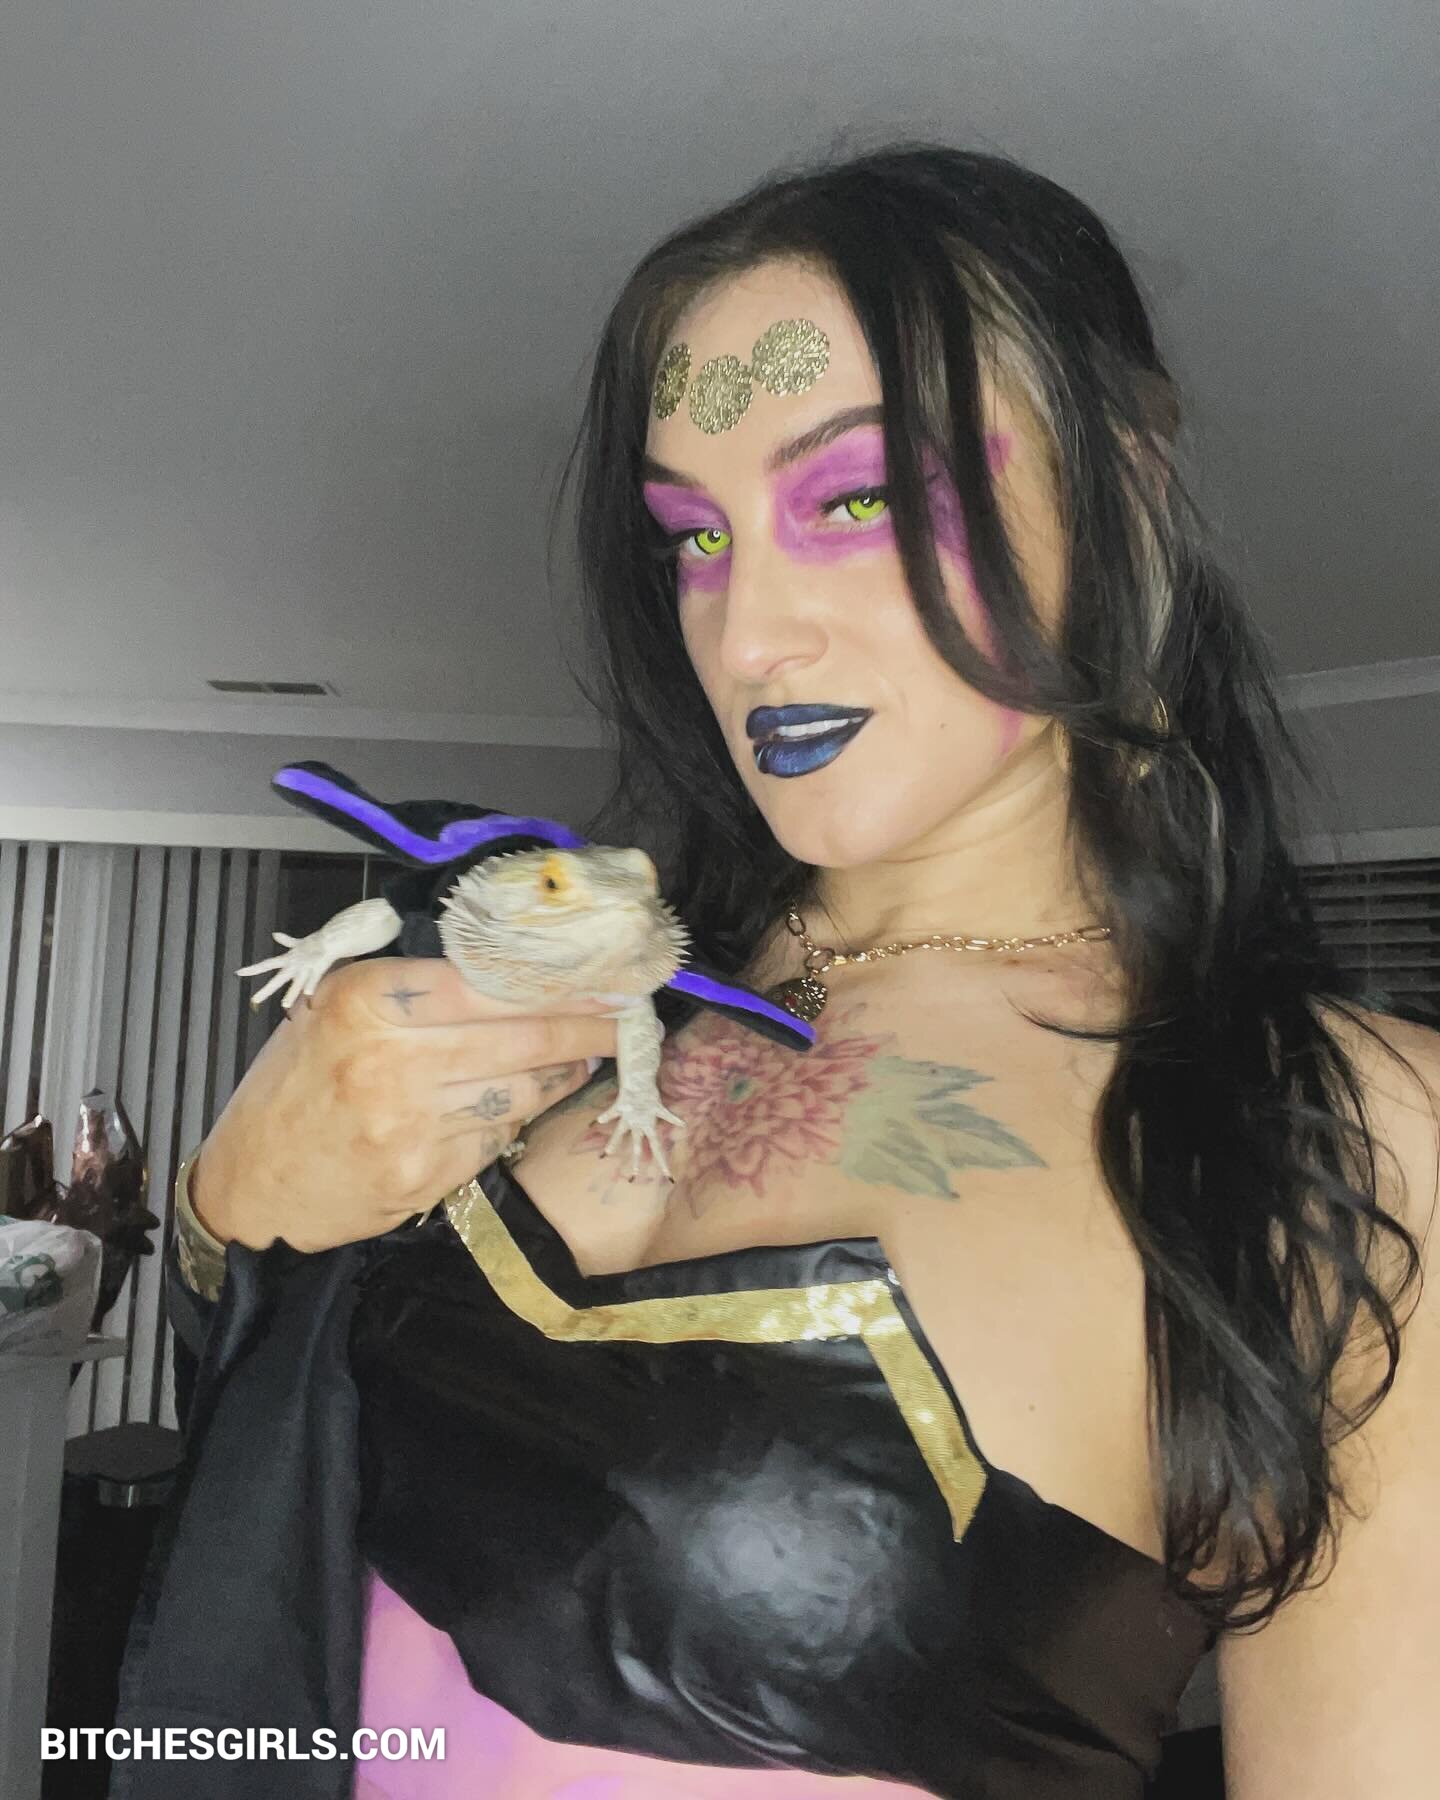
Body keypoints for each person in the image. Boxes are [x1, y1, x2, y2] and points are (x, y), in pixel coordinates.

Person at [114, 143, 1437, 1799]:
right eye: (694, 536)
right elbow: (277, 1548)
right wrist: (229, 1215)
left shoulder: (1360, 1145)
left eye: (856, 499)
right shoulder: (562, 987)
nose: (745, 637)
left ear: (1125, 486)